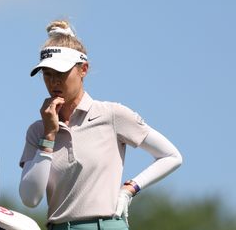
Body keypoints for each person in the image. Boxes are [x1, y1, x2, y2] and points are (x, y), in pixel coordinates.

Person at [19, 20, 183, 230]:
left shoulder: (112, 115)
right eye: (47, 74)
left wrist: (129, 189)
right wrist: (49, 135)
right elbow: (30, 198)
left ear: (83, 69)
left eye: (61, 73)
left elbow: (171, 156)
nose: (53, 82)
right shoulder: (38, 131)